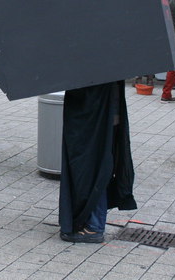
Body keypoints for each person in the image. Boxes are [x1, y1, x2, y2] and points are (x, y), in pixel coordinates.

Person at [59, 81, 137, 243]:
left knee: (93, 170)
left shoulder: (97, 61)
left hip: (95, 115)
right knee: (96, 168)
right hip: (104, 112)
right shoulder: (109, 60)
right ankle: (89, 221)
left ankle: (94, 226)